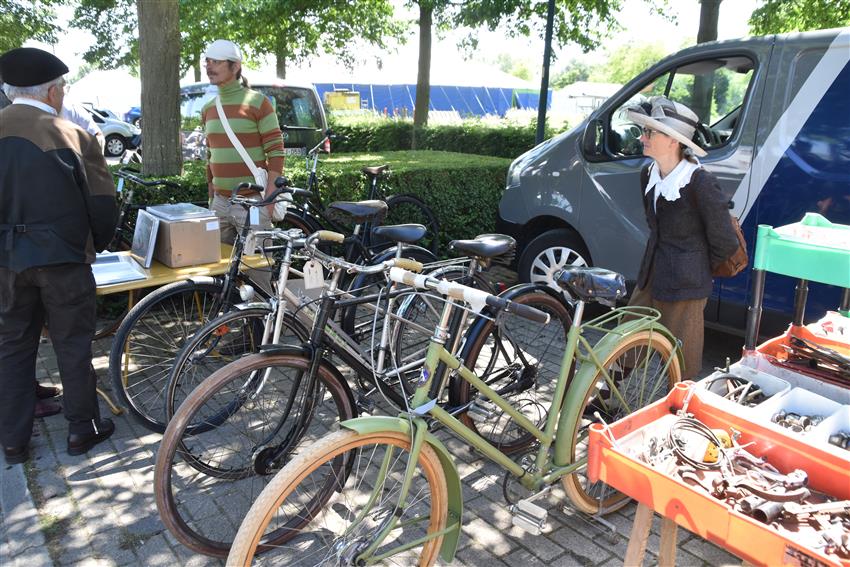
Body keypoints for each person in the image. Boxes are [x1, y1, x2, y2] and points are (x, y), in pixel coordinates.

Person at [0, 47, 118, 464]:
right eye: (62, 88)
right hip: (64, 259)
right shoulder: (72, 135)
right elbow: (102, 205)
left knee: (12, 346)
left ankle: (13, 440)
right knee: (72, 344)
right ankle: (81, 429)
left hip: (6, 262)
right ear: (51, 92)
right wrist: (97, 244)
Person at [627, 96, 739, 380]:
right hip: (651, 275)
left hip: (686, 288)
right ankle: (605, 393)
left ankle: (678, 405)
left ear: (673, 140)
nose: (642, 137)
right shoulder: (647, 174)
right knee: (626, 338)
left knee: (680, 362)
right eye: (644, 130)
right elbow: (656, 226)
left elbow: (726, 241)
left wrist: (693, 267)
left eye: (650, 132)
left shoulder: (700, 182)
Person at [201, 39, 285, 244]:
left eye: (217, 62)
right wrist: (212, 198)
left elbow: (276, 153)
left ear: (235, 66)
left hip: (252, 203)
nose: (209, 67)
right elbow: (211, 156)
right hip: (220, 204)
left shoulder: (258, 103)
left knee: (258, 263)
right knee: (218, 264)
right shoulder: (208, 109)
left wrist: (269, 202)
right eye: (208, 61)